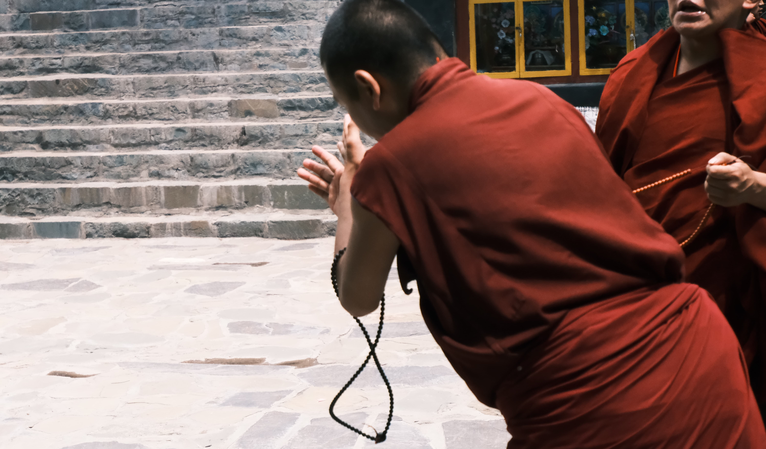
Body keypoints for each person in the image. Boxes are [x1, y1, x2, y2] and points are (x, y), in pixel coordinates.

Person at [298, 0, 765, 446]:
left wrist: (348, 205)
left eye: (348, 104)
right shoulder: (538, 98)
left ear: (368, 88)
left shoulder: (392, 165)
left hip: (594, 400)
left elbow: (357, 296)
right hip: (696, 350)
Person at [595, 0, 766, 418]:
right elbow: (600, 187)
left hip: (733, 305)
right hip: (637, 299)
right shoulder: (634, 73)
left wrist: (755, 187)